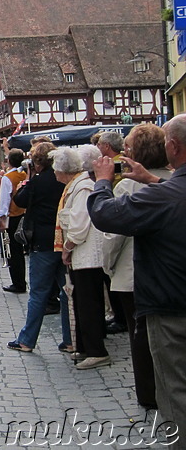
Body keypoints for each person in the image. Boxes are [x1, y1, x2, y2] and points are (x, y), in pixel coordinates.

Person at [88, 114, 186, 433]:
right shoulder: (168, 189)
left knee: (175, 391)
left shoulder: (161, 196)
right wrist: (153, 180)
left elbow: (106, 216)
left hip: (170, 305)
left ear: (172, 147)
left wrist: (102, 181)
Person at [100, 124, 168, 409]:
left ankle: (149, 394)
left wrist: (108, 265)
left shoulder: (129, 186)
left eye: (127, 148)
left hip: (133, 275)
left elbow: (113, 233)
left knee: (140, 336)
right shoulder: (174, 179)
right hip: (169, 274)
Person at [6, 142, 71, 353]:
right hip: (64, 241)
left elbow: (20, 200)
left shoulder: (37, 181)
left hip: (42, 242)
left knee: (38, 293)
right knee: (67, 292)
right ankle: (70, 339)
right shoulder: (65, 179)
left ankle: (27, 339)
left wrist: (27, 179)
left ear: (35, 162)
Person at [51, 147, 109, 370]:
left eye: (55, 169)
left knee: (88, 303)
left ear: (62, 170)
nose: (54, 173)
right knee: (81, 303)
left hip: (87, 256)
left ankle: (96, 350)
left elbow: (79, 224)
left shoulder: (82, 187)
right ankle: (85, 346)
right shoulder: (75, 186)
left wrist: (67, 246)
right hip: (82, 256)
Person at [0, 149, 28, 293]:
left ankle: (18, 282)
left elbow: (4, 200)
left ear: (9, 161)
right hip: (24, 215)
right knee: (21, 251)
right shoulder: (24, 174)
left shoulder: (7, 178)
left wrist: (2, 219)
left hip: (12, 216)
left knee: (12, 251)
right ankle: (21, 280)